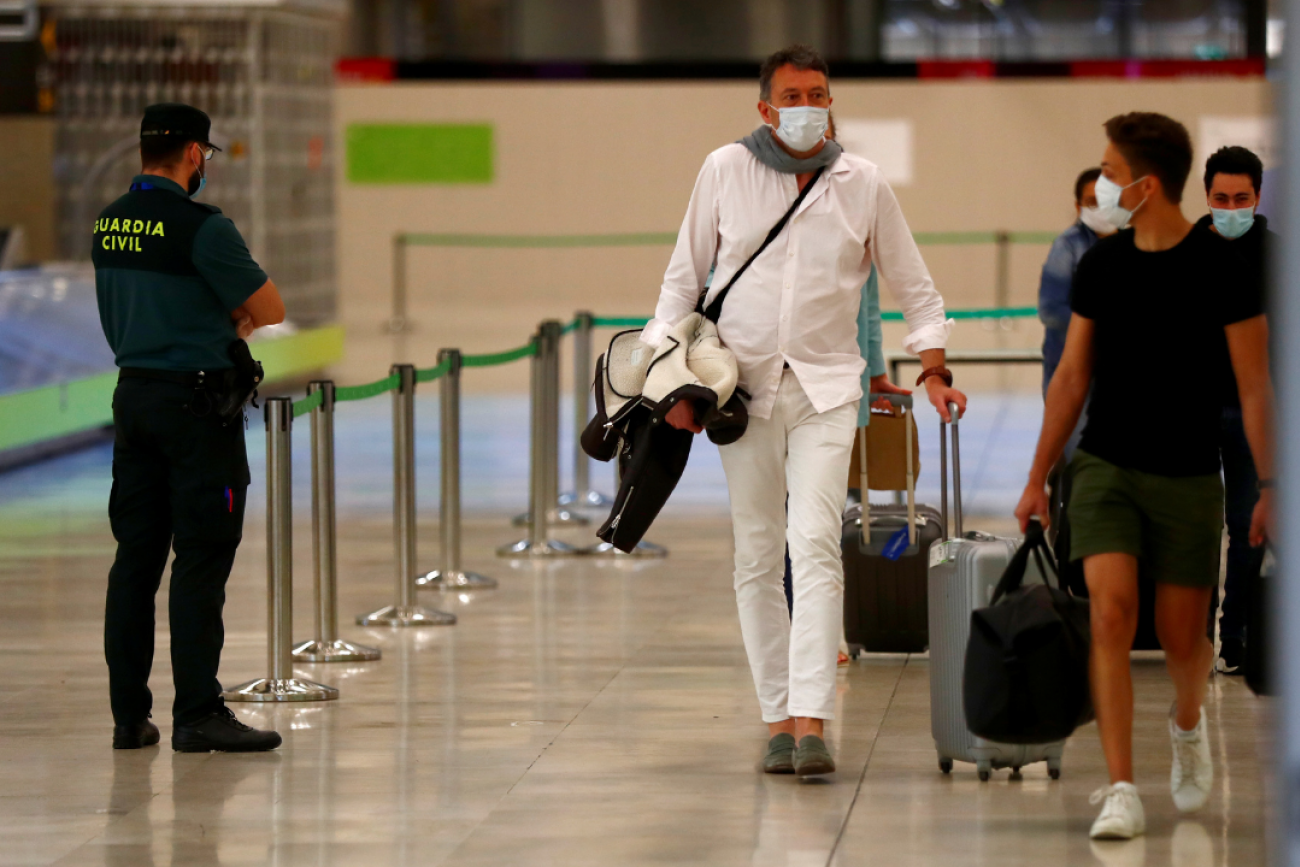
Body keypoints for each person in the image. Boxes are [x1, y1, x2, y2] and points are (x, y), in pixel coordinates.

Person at [644, 44, 965, 778]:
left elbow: (916, 287)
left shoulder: (863, 183)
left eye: (818, 93)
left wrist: (934, 366)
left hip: (828, 389)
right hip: (739, 394)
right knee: (757, 555)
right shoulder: (724, 170)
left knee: (814, 541)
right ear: (765, 108)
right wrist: (668, 381)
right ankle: (777, 718)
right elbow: (681, 284)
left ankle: (813, 719)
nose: (807, 107)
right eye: (792, 95)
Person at [1014, 112, 1273, 840]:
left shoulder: (1222, 270)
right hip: (1106, 464)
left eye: (1109, 171)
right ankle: (1122, 784)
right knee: (1110, 612)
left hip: (1189, 471)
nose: (1100, 183)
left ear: (1145, 184)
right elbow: (1071, 376)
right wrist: (1038, 475)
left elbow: (1256, 386)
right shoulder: (1103, 265)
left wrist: (1275, 486)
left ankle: (1187, 724)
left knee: (1183, 635)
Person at [94, 103, 286, 753]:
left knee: (135, 562)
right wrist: (233, 320)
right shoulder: (204, 228)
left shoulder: (110, 223)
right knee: (201, 559)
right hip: (197, 410)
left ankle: (129, 716)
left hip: (134, 398)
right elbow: (269, 306)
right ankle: (198, 712)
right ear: (196, 154)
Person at [1197, 145, 1274, 674]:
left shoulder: (1278, 255)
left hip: (1253, 412)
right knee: (1193, 528)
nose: (1230, 207)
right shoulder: (1184, 252)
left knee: (1247, 524)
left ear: (1257, 197)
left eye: (1240, 198)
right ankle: (1190, 636)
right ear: (1206, 196)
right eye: (1220, 198)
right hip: (1194, 411)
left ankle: (1236, 635)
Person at [1038, 167, 1113, 393]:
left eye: (1106, 201)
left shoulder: (1133, 242)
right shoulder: (1068, 246)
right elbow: (1050, 310)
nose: (1100, 209)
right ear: (1078, 206)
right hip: (1071, 369)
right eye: (1092, 202)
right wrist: (1105, 323)